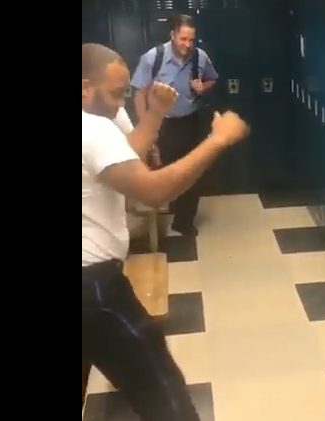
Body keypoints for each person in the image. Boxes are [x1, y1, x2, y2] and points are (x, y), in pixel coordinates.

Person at [82, 43, 248, 421]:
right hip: (93, 288)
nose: (119, 103)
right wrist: (218, 140)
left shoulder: (98, 125)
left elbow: (123, 155)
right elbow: (154, 190)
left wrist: (155, 112)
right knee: (164, 394)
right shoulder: (90, 127)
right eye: (115, 94)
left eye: (125, 92)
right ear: (83, 88)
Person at [131, 14, 219, 237]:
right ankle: (169, 209)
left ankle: (183, 222)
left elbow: (212, 79)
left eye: (191, 40)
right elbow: (139, 94)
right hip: (163, 125)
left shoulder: (200, 57)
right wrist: (147, 128)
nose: (187, 45)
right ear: (172, 35)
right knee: (167, 174)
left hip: (191, 122)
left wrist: (202, 87)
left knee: (193, 172)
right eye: (183, 39)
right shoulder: (153, 58)